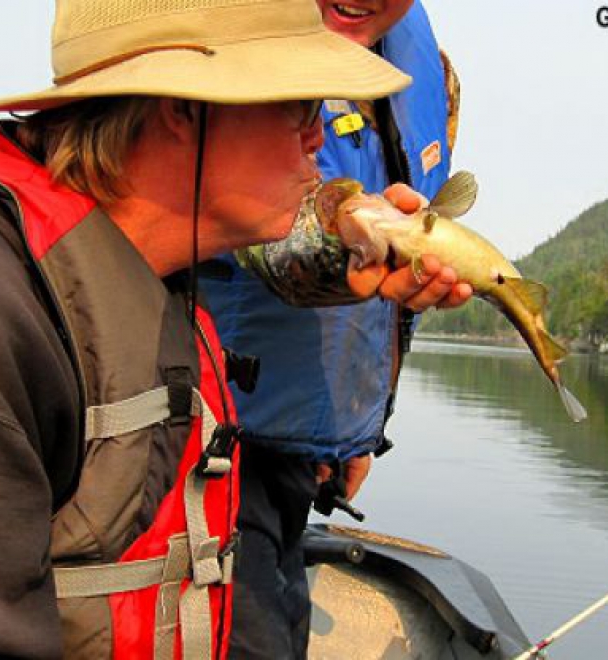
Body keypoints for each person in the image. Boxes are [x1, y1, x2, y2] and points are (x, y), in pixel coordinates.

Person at [0, 0, 418, 657]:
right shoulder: (8, 318)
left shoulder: (152, 284)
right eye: (301, 106)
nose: (317, 139)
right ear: (183, 108)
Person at [201, 1, 466, 657]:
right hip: (204, 441)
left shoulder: (431, 74)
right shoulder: (221, 38)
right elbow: (263, 223)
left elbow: (401, 283)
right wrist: (345, 230)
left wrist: (356, 427)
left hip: (302, 441)